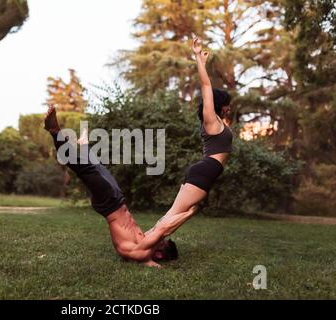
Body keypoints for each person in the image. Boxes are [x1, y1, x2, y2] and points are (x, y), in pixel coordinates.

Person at [44, 105, 198, 268]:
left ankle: (54, 131)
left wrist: (190, 213)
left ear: (159, 253)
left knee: (83, 168)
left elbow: (165, 229)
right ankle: (84, 145)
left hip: (109, 204)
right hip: (116, 199)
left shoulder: (143, 252)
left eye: (163, 244)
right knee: (97, 167)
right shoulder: (144, 244)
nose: (162, 240)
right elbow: (163, 224)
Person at [146, 37, 234, 235]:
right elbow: (206, 87)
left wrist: (202, 62)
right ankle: (141, 248)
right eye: (227, 103)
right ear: (219, 104)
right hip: (205, 171)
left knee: (174, 215)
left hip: (206, 171)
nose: (229, 107)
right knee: (173, 216)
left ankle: (142, 242)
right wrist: (198, 59)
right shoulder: (210, 119)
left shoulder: (218, 122)